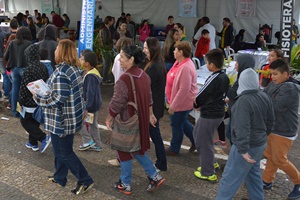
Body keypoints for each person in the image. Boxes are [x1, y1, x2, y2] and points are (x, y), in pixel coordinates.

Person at [32, 39, 94, 195]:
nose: (54, 52)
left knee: (64, 153)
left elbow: (58, 99)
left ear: (61, 52)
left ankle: (85, 180)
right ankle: (60, 177)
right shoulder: (73, 69)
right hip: (69, 118)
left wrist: (37, 97)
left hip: (61, 120)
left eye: (57, 49)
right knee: (59, 150)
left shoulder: (61, 73)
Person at [105, 45, 165, 194]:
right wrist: (150, 115)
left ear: (131, 59)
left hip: (127, 120)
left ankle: (125, 183)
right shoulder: (143, 75)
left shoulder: (124, 79)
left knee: (124, 150)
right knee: (137, 149)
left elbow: (117, 102)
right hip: (142, 118)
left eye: (122, 57)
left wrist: (109, 117)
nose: (119, 59)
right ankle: (154, 176)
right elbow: (149, 98)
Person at [216, 68, 274, 200]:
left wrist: (243, 150)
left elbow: (242, 127)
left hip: (246, 146)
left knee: (229, 179)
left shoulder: (243, 101)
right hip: (259, 143)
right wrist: (263, 136)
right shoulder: (264, 96)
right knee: (253, 175)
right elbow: (271, 122)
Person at [262, 59, 300, 200]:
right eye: (272, 74)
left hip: (284, 130)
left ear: (286, 74)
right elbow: (265, 97)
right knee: (271, 155)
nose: (273, 77)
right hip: (274, 128)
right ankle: (266, 181)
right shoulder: (275, 84)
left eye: (276, 74)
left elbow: (275, 106)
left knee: (279, 159)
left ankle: (298, 182)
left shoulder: (290, 88)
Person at [193, 48, 229, 181]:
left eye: (207, 62)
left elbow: (202, 94)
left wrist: (196, 104)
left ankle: (208, 172)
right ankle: (210, 162)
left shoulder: (214, 77)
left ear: (212, 65)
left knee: (203, 141)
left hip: (210, 114)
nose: (206, 64)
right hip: (217, 112)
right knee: (199, 135)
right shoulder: (224, 76)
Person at [165, 41, 198, 155]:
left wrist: (173, 105)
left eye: (176, 50)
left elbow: (184, 89)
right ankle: (196, 141)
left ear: (181, 52)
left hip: (181, 103)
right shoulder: (180, 63)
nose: (174, 51)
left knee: (176, 125)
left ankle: (174, 148)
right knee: (182, 122)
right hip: (177, 101)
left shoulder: (185, 67)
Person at [19, 44, 51, 153]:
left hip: (29, 101)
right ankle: (33, 143)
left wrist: (21, 101)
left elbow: (24, 87)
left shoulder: (28, 69)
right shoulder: (43, 66)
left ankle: (43, 137)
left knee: (25, 121)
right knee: (34, 121)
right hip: (39, 99)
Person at [143, 37, 167, 171]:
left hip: (152, 108)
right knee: (153, 134)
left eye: (146, 48)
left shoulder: (153, 66)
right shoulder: (157, 63)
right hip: (155, 106)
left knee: (155, 135)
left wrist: (150, 112)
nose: (144, 50)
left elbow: (148, 91)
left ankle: (161, 162)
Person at [4, 27, 32, 118]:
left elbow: (6, 56)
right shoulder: (29, 44)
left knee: (15, 90)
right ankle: (25, 112)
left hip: (14, 69)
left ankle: (15, 112)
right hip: (25, 69)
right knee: (26, 91)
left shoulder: (12, 43)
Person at [78, 52, 103, 152]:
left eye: (82, 59)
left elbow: (90, 94)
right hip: (94, 105)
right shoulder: (92, 72)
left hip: (90, 106)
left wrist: (87, 108)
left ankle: (88, 140)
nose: (81, 60)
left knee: (80, 123)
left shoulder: (90, 76)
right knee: (92, 124)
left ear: (87, 63)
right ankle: (97, 144)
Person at [98, 16, 114, 85]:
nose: (113, 22)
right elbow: (105, 40)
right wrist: (111, 43)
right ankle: (104, 79)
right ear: (109, 21)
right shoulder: (104, 29)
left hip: (105, 49)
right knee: (106, 64)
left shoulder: (105, 29)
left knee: (106, 64)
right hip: (105, 49)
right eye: (112, 21)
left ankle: (104, 78)